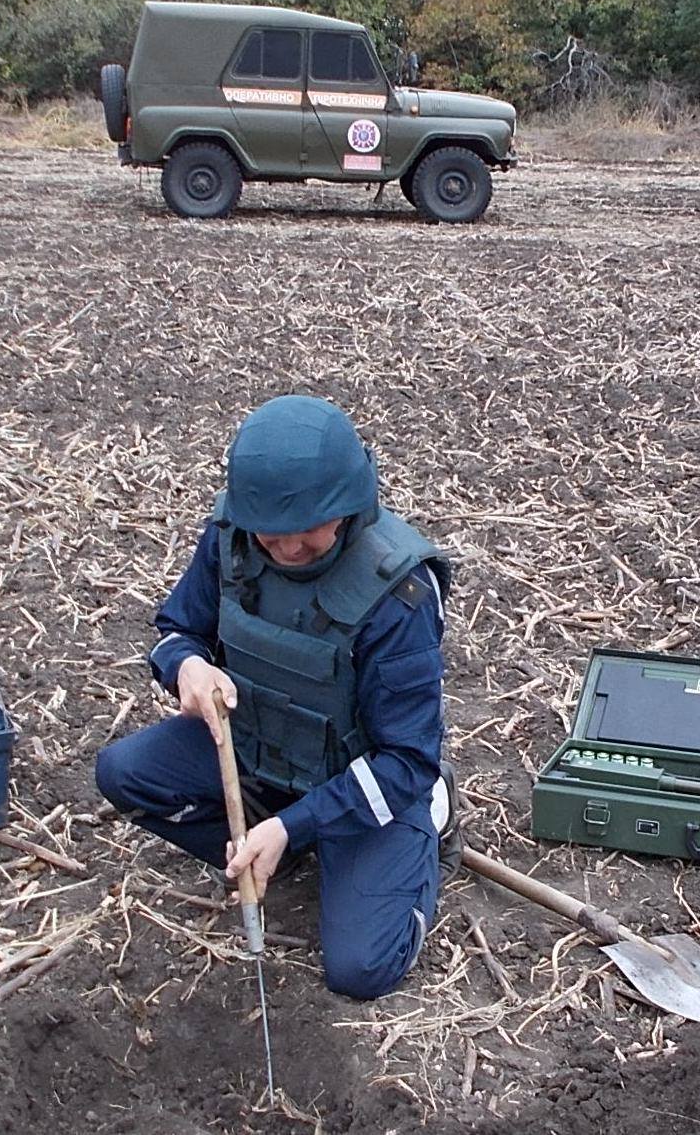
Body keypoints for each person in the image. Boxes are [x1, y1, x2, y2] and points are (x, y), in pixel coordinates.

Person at [95, 395, 459, 1001]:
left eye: (307, 533)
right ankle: (274, 852)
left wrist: (298, 823)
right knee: (125, 774)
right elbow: (177, 629)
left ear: (350, 504)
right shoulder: (230, 540)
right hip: (259, 752)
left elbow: (407, 762)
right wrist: (185, 666)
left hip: (361, 785)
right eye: (274, 534)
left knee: (362, 969)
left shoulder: (398, 597)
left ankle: (429, 839)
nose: (287, 550)